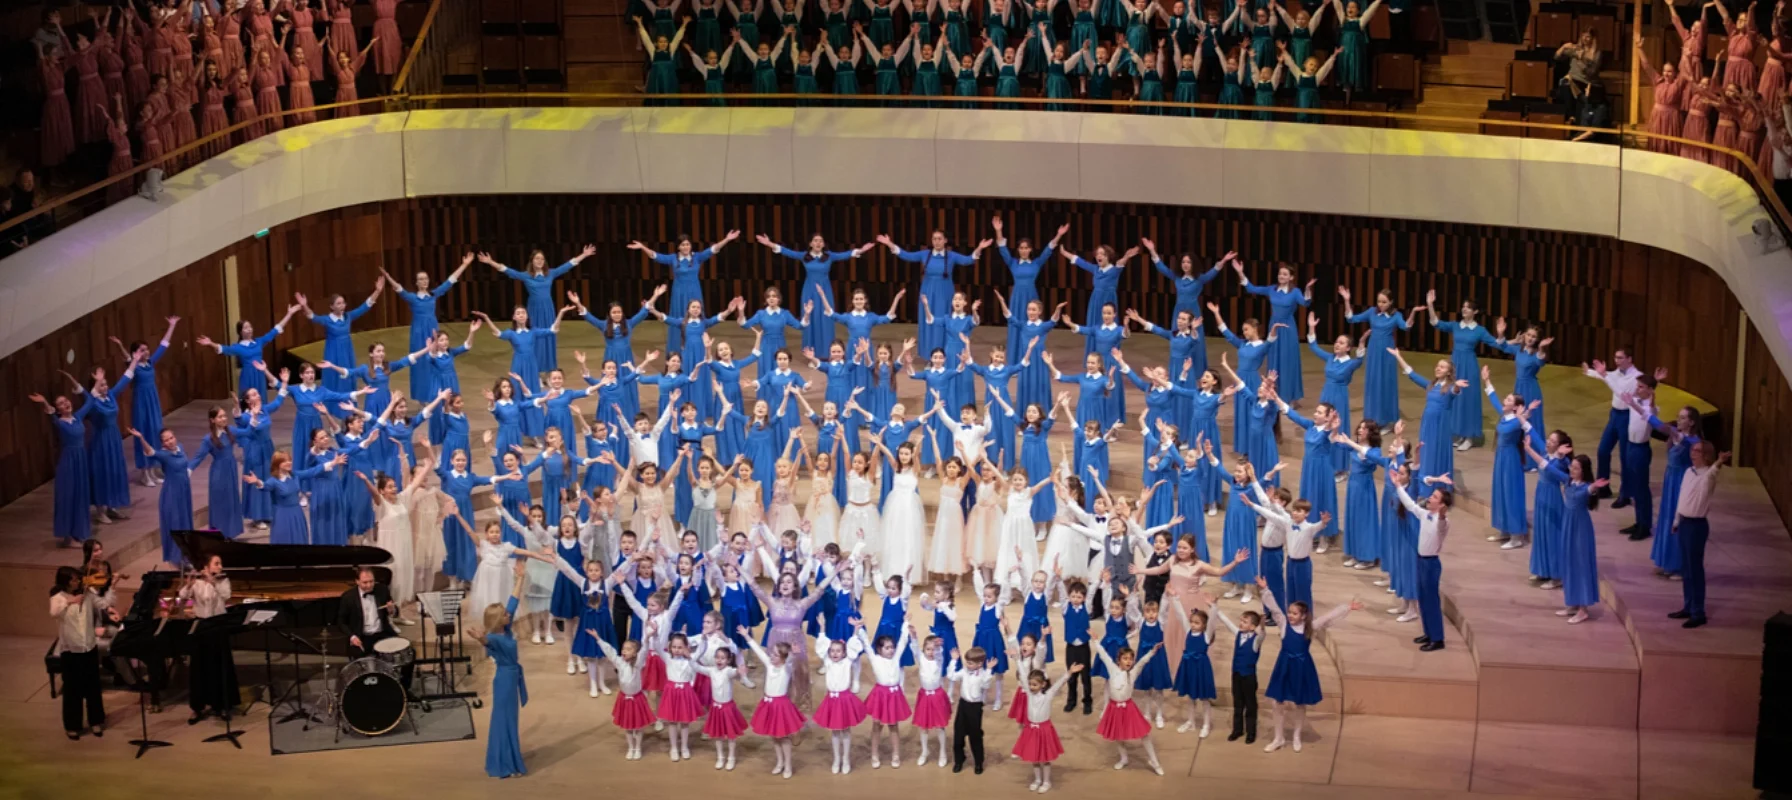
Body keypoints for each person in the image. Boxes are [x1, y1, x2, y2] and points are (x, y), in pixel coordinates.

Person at [1258, 581, 1363, 753]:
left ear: (1303, 616)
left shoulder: (1310, 628)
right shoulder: (1283, 624)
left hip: (1301, 667)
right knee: (1277, 702)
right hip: (1284, 666)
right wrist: (1265, 589)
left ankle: (1297, 736)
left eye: (1294, 613)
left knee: (1300, 703)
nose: (1290, 615)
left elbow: (1328, 617)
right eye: (1289, 612)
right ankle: (1278, 738)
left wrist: (1347, 607)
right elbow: (1275, 608)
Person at [467, 563, 530, 778]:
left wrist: (520, 578)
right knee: (503, 722)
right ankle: (505, 764)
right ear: (497, 619)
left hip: (511, 679)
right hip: (504, 681)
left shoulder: (506, 629)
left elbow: (513, 601)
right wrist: (480, 638)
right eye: (504, 614)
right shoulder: (494, 637)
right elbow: (486, 641)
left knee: (510, 721)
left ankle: (510, 761)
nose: (508, 615)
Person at [51, 565, 115, 739]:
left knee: (93, 687)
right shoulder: (58, 598)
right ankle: (73, 725)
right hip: (71, 651)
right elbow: (53, 612)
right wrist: (70, 601)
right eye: (73, 579)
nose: (78, 581)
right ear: (65, 582)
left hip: (89, 648)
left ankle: (96, 721)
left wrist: (110, 586)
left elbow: (104, 604)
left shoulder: (87, 595)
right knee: (73, 690)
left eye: (77, 578)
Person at [1392, 470, 1452, 652]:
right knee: (1423, 599)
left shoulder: (1443, 521)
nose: (1430, 498)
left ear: (1441, 504)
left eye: (1435, 497)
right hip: (1421, 561)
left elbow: (1441, 525)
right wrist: (1398, 486)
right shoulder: (1425, 514)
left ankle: (1438, 639)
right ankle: (1428, 632)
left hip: (1431, 564)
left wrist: (1442, 515)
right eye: (1432, 495)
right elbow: (1410, 505)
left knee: (1431, 601)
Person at [1671, 441, 1727, 628]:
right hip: (1684, 523)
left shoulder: (1708, 476)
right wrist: (1676, 521)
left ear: (1706, 455)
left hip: (1696, 526)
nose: (1692, 453)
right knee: (1686, 569)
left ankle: (1698, 612)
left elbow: (1712, 473)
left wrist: (1719, 462)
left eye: (1697, 451)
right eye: (1692, 450)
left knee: (1695, 569)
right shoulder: (1688, 472)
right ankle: (1688, 606)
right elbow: (1682, 497)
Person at [179, 554, 240, 723]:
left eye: (220, 563)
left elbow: (226, 596)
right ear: (206, 567)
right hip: (201, 626)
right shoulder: (197, 583)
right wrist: (188, 584)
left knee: (220, 666)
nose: (220, 567)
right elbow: (182, 596)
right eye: (217, 563)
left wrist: (213, 582)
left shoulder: (223, 581)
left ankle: (222, 705)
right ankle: (197, 707)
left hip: (218, 625)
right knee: (199, 667)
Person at [1582, 350, 1642, 499]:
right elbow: (1607, 376)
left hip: (1627, 416)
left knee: (1624, 456)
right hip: (1614, 415)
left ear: (1629, 359)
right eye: (1615, 357)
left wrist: (1605, 375)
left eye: (1620, 358)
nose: (1617, 360)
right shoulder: (1616, 373)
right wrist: (1589, 372)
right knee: (1603, 450)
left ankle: (1626, 493)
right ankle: (1603, 488)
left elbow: (1621, 392)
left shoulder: (1636, 377)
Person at [947, 645, 993, 773]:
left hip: (975, 708)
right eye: (967, 662)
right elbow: (951, 676)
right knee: (958, 735)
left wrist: (989, 670)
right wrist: (953, 660)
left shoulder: (983, 675)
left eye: (970, 663)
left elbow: (986, 685)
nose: (967, 664)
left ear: (979, 664)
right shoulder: (964, 671)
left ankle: (978, 762)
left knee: (975, 736)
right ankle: (959, 759)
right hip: (963, 705)